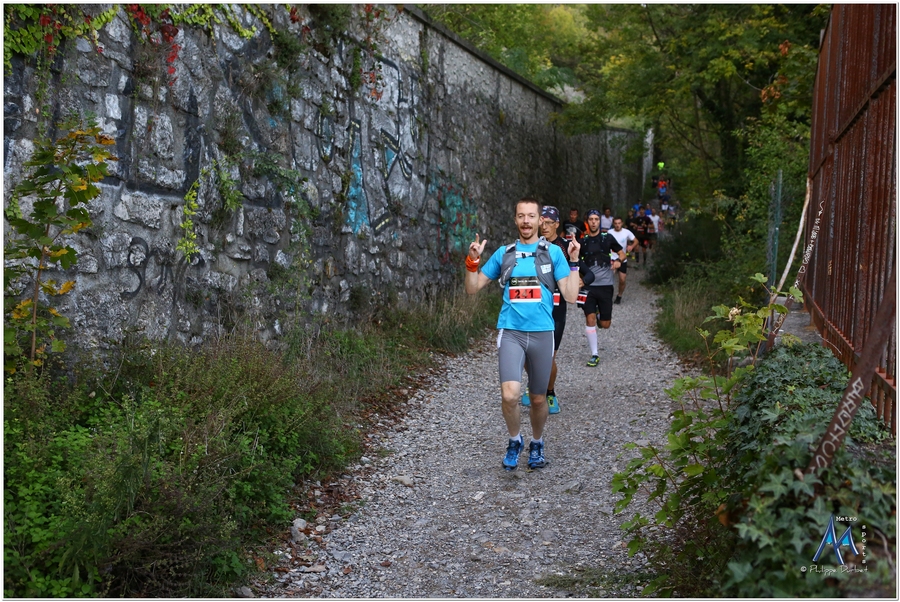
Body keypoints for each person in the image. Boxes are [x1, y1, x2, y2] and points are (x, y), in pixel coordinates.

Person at [465, 198, 581, 471]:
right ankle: (515, 440)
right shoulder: (504, 253)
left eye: (531, 216)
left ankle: (537, 443)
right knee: (510, 395)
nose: (526, 221)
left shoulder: (553, 253)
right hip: (511, 332)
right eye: (521, 216)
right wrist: (472, 262)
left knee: (538, 399)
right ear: (515, 220)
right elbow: (472, 288)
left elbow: (570, 295)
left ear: (540, 220)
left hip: (542, 333)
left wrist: (575, 262)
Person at [521, 206, 568, 414]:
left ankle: (550, 392)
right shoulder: (531, 245)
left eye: (549, 223)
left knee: (548, 356)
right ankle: (533, 384)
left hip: (556, 308)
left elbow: (585, 272)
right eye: (542, 222)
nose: (544, 227)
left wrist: (578, 281)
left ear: (557, 224)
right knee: (527, 354)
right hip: (532, 306)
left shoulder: (563, 247)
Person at [577, 209, 625, 367]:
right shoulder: (582, 242)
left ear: (600, 221)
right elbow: (574, 261)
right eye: (591, 219)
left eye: (596, 219)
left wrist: (618, 261)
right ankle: (594, 354)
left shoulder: (607, 238)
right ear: (587, 221)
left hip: (605, 285)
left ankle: (600, 316)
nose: (593, 222)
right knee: (589, 318)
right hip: (588, 286)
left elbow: (622, 254)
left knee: (605, 324)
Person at [608, 217, 637, 304]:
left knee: (622, 280)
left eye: (619, 223)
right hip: (612, 259)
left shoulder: (626, 232)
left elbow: (636, 241)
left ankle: (619, 296)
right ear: (613, 224)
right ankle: (607, 296)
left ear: (622, 223)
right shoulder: (609, 233)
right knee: (608, 279)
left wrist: (631, 246)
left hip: (622, 259)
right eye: (616, 223)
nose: (617, 225)